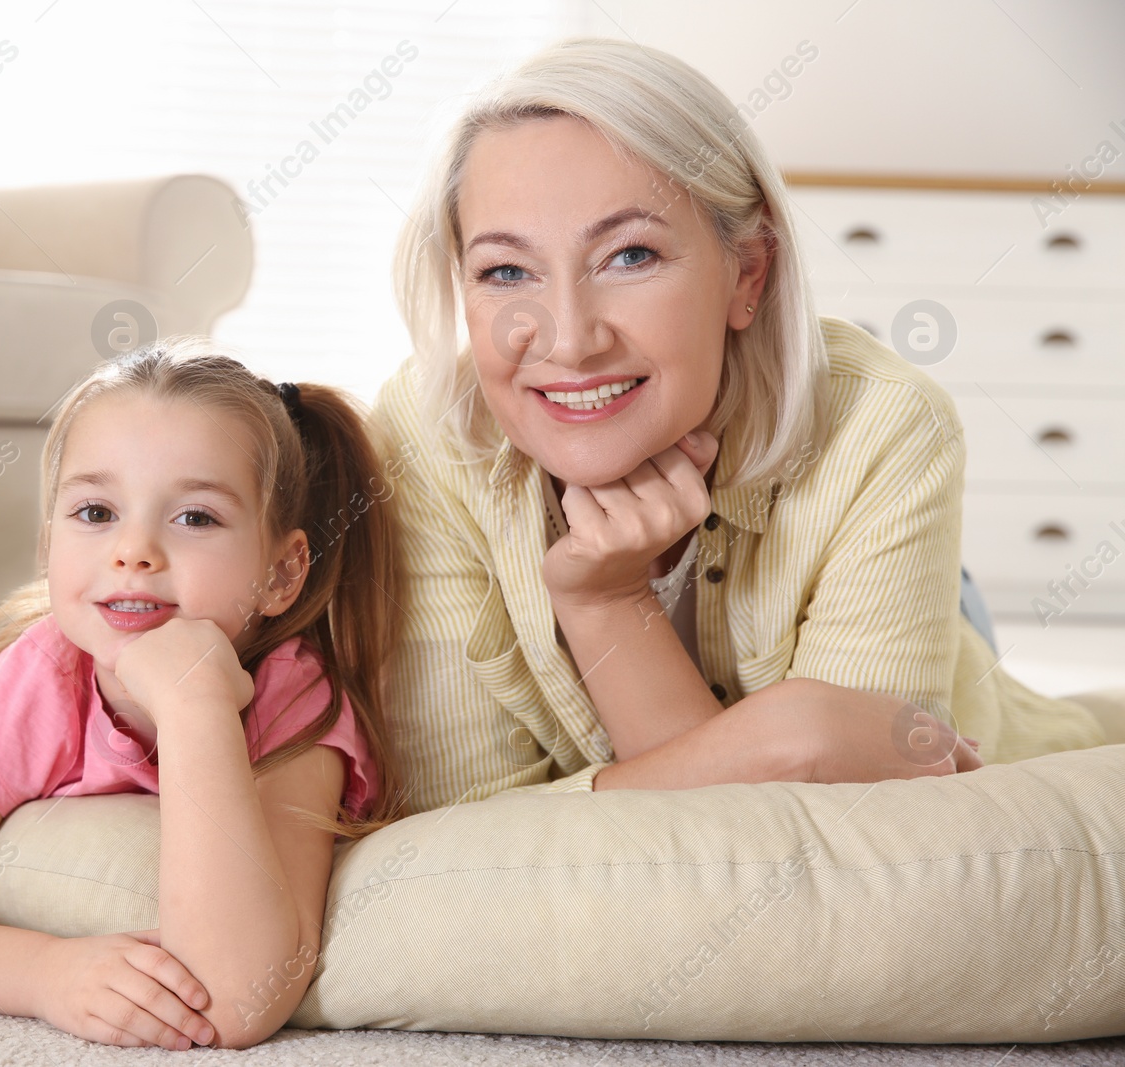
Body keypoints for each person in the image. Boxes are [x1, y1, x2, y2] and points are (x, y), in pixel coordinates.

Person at [374, 36, 1112, 811]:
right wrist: (787, 730)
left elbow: (848, 856)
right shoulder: (420, 439)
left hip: (973, 692)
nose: (570, 340)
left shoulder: (889, 425)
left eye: (630, 256)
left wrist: (609, 607)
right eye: (506, 271)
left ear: (748, 271)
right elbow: (456, 835)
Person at [0, 337, 405, 1050]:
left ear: (281, 574)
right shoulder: (43, 677)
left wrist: (194, 706)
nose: (134, 551)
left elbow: (237, 997)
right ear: (47, 543)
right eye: (96, 512)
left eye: (195, 517)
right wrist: (45, 973)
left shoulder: (292, 692)